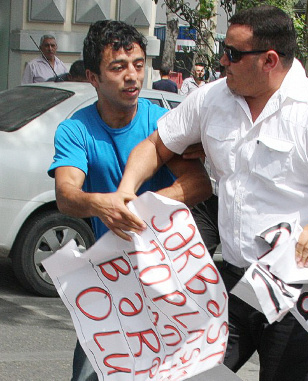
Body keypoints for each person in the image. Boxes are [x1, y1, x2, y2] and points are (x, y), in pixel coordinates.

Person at [113, 5, 308, 381]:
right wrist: (126, 191)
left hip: (297, 289)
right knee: (193, 374)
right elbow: (156, 146)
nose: (222, 61)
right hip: (235, 280)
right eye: (223, 48)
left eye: (233, 54)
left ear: (269, 60)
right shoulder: (212, 98)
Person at [47, 20, 212, 381]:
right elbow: (67, 195)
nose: (132, 76)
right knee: (91, 375)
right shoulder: (76, 129)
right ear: (93, 76)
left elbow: (199, 184)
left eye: (138, 65)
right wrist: (100, 204)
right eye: (118, 67)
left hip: (170, 275)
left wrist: (140, 208)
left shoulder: (162, 122)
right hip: (109, 281)